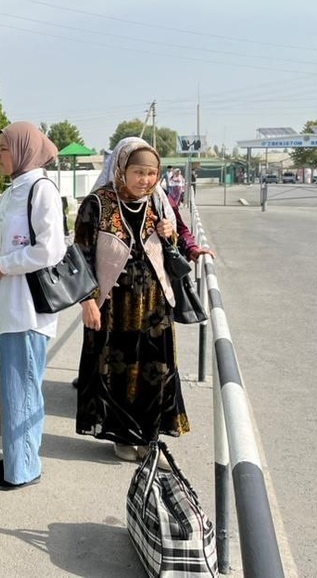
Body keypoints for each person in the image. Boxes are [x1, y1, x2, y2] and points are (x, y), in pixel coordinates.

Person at [74, 137, 191, 464]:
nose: (146, 180)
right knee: (118, 373)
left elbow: (172, 250)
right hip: (113, 307)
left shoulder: (157, 202)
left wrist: (169, 234)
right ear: (121, 169)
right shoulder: (97, 203)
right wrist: (87, 301)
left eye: (152, 173)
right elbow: (80, 256)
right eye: (139, 172)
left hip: (154, 306)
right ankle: (124, 438)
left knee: (155, 372)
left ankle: (150, 439)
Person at [0, 122, 66, 490]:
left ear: (23, 150)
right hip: (5, 306)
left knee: (24, 389)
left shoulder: (42, 191)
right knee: (12, 391)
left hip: (27, 309)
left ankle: (24, 468)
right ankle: (16, 455)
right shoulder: (11, 192)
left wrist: (3, 266)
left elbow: (51, 250)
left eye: (4, 148)